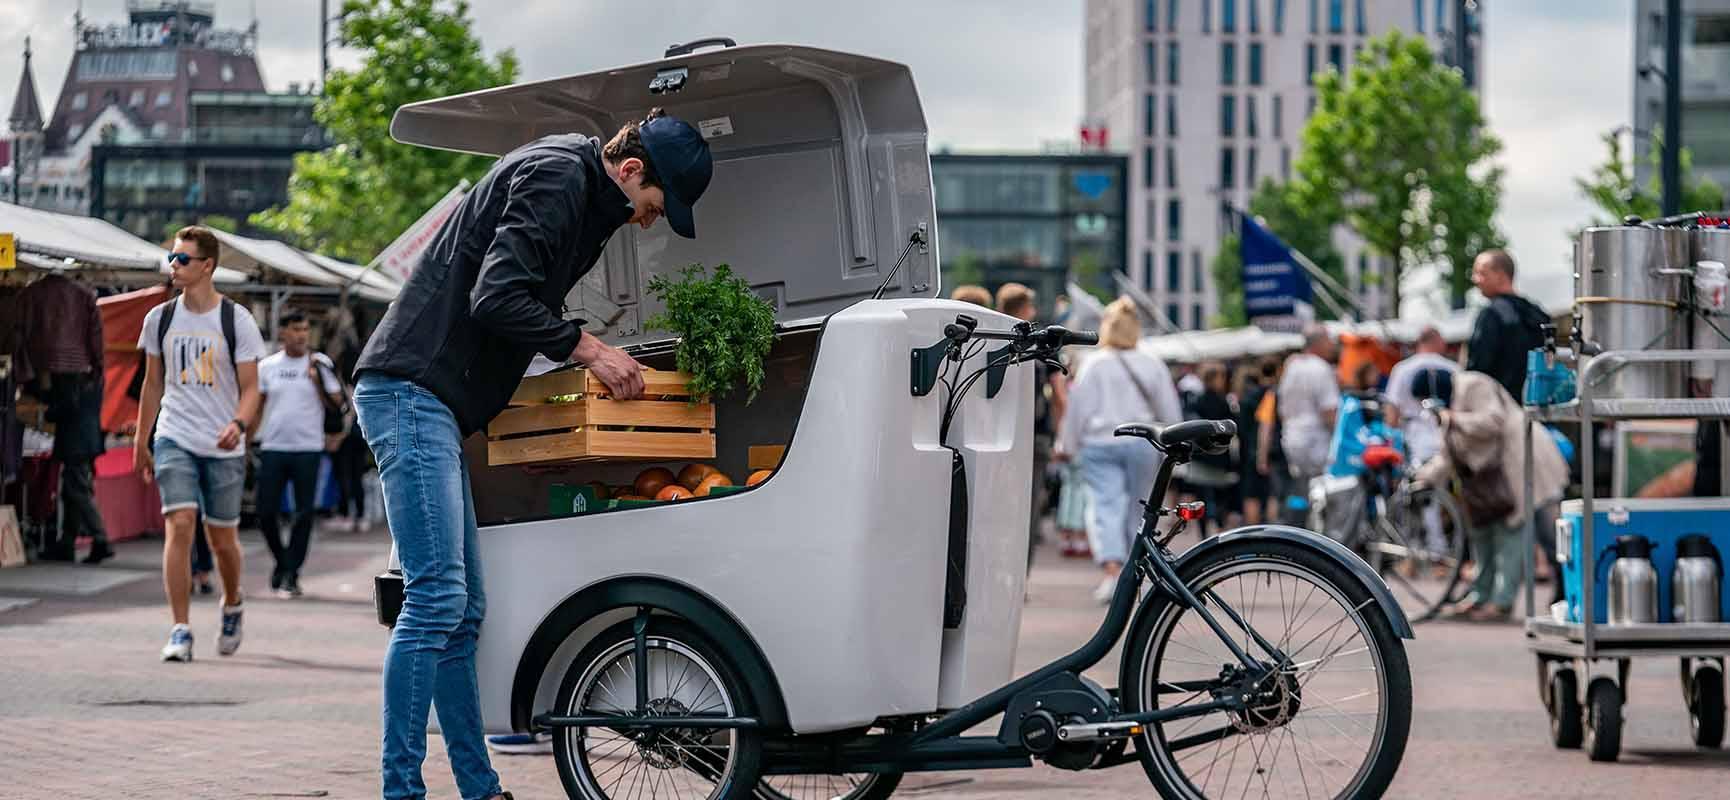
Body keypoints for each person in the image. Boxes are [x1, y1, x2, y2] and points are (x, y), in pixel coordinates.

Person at [353, 108, 712, 800]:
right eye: (657, 206)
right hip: (410, 391)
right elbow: (497, 296)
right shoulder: (557, 177)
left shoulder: (575, 186)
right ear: (632, 170)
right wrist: (591, 349)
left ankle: (479, 788)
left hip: (435, 401)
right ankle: (401, 790)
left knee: (462, 609)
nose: (651, 221)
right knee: (436, 601)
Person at [134, 225, 267, 662]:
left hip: (223, 442)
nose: (174, 265)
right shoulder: (160, 318)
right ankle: (180, 629)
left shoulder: (236, 320)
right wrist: (143, 439)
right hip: (175, 434)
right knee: (181, 523)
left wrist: (239, 424)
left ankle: (232, 603)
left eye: (183, 259)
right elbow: (152, 384)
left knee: (222, 541)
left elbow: (251, 388)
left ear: (207, 265)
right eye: (172, 257)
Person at [1056, 298, 1183, 605]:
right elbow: (1169, 409)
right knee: (1139, 509)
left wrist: (1066, 445)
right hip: (1142, 443)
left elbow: (1078, 410)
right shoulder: (1151, 361)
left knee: (1104, 507)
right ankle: (1134, 571)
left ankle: (1113, 574)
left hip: (1100, 443)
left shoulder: (1094, 363)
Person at [1417, 371, 1568, 622]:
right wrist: (1422, 478)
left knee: (1530, 536)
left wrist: (1453, 419)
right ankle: (1481, 595)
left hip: (1525, 463)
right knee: (1485, 534)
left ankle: (1503, 603)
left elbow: (1492, 421)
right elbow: (1447, 454)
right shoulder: (1448, 406)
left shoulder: (1473, 384)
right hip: (1495, 479)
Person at [18, 270, 112, 564]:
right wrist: (96, 362)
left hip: (76, 438)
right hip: (85, 436)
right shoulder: (85, 298)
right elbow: (96, 341)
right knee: (73, 488)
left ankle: (101, 539)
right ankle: (67, 543)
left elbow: (24, 331)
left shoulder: (34, 294)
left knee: (75, 489)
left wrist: (46, 408)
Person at [254, 310, 345, 598]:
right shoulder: (267, 366)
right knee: (265, 512)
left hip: (309, 447)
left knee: (303, 514)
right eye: (295, 329)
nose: (301, 335)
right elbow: (257, 404)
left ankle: (291, 574)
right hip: (273, 446)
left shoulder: (320, 363)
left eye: (305, 329)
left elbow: (338, 402)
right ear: (282, 332)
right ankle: (282, 562)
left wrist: (317, 380)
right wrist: (245, 437)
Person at [996, 282, 1055, 565]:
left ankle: (999, 568)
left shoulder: (991, 337)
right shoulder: (1039, 343)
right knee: (1027, 509)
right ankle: (1022, 574)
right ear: (1022, 308)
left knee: (997, 506)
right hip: (1035, 438)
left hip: (997, 435)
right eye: (1030, 306)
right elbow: (1060, 396)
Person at [1466, 249, 1549, 401]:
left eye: (1481, 273)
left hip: (1500, 410)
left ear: (1500, 275)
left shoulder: (1491, 314)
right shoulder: (1538, 314)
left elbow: (1479, 369)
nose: (1475, 279)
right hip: (1537, 406)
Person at [1278, 325, 1341, 500]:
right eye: (1329, 340)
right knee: (1323, 495)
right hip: (1316, 441)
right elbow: (1329, 412)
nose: (1332, 345)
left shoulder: (1292, 366)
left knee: (1301, 494)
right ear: (1319, 343)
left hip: (1292, 438)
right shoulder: (1321, 368)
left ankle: (1296, 523)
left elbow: (1282, 408)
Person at [1187, 362, 1237, 535]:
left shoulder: (1197, 400)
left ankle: (1203, 535)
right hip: (1218, 457)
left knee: (1201, 499)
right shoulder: (1223, 402)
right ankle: (1220, 530)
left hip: (1201, 457)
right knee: (1220, 497)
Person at [1237, 358, 1278, 525]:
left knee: (1251, 494)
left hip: (1251, 450)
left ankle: (1252, 533)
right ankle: (1273, 533)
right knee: (1272, 494)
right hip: (1273, 450)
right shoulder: (1276, 394)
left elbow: (1243, 429)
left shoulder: (1249, 397)